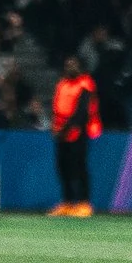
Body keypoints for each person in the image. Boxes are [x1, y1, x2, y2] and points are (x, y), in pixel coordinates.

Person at [50, 51, 101, 217]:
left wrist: (65, 129)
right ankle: (67, 202)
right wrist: (55, 128)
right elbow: (56, 106)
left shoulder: (85, 83)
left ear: (80, 67)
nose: (70, 67)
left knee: (79, 167)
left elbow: (82, 111)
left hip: (78, 131)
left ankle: (84, 203)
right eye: (68, 65)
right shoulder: (62, 84)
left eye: (73, 64)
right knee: (62, 167)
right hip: (61, 132)